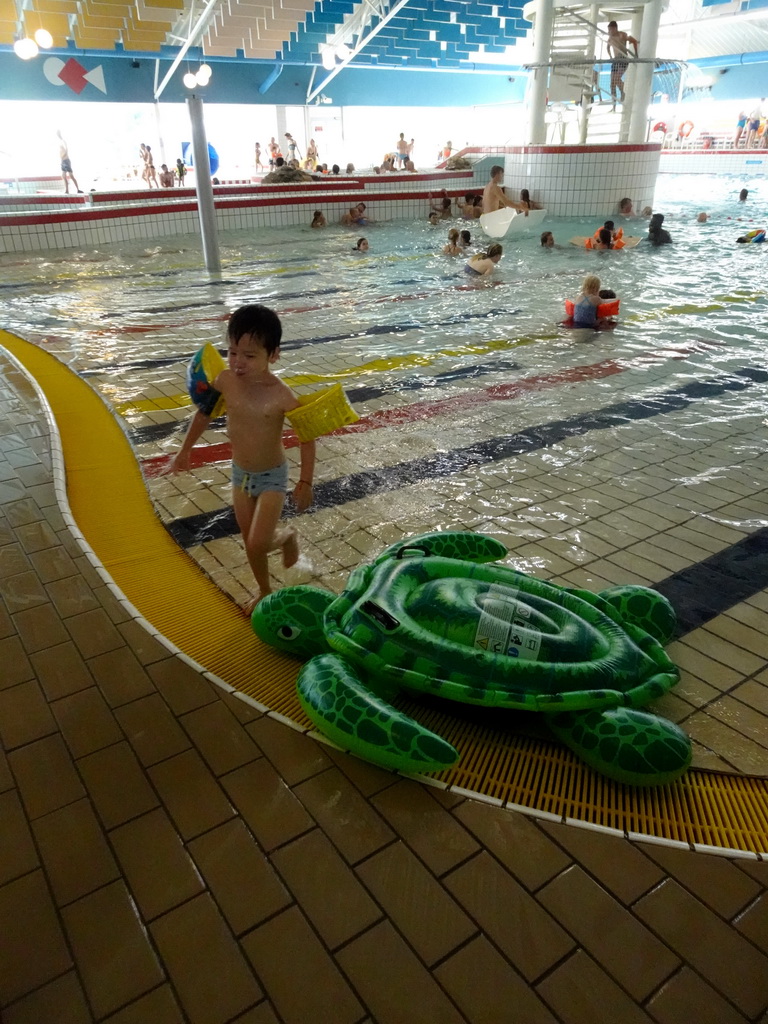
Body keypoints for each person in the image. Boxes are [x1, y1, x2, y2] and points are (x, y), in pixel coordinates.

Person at [166, 305, 315, 610]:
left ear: (273, 355)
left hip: (272, 475)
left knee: (259, 542)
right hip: (240, 474)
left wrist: (305, 481)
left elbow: (307, 436)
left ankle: (287, 536)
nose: (238, 363)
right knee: (250, 542)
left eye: (249, 356)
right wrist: (185, 450)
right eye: (233, 352)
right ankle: (263, 589)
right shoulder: (224, 380)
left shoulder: (281, 395)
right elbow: (204, 414)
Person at [606, 20, 638, 109]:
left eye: (610, 30)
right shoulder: (610, 38)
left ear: (615, 28)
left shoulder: (622, 35)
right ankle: (614, 106)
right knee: (612, 84)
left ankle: (623, 92)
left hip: (623, 60)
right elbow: (607, 47)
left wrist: (636, 55)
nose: (609, 32)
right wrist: (610, 57)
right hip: (615, 61)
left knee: (616, 79)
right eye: (608, 30)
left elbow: (634, 41)